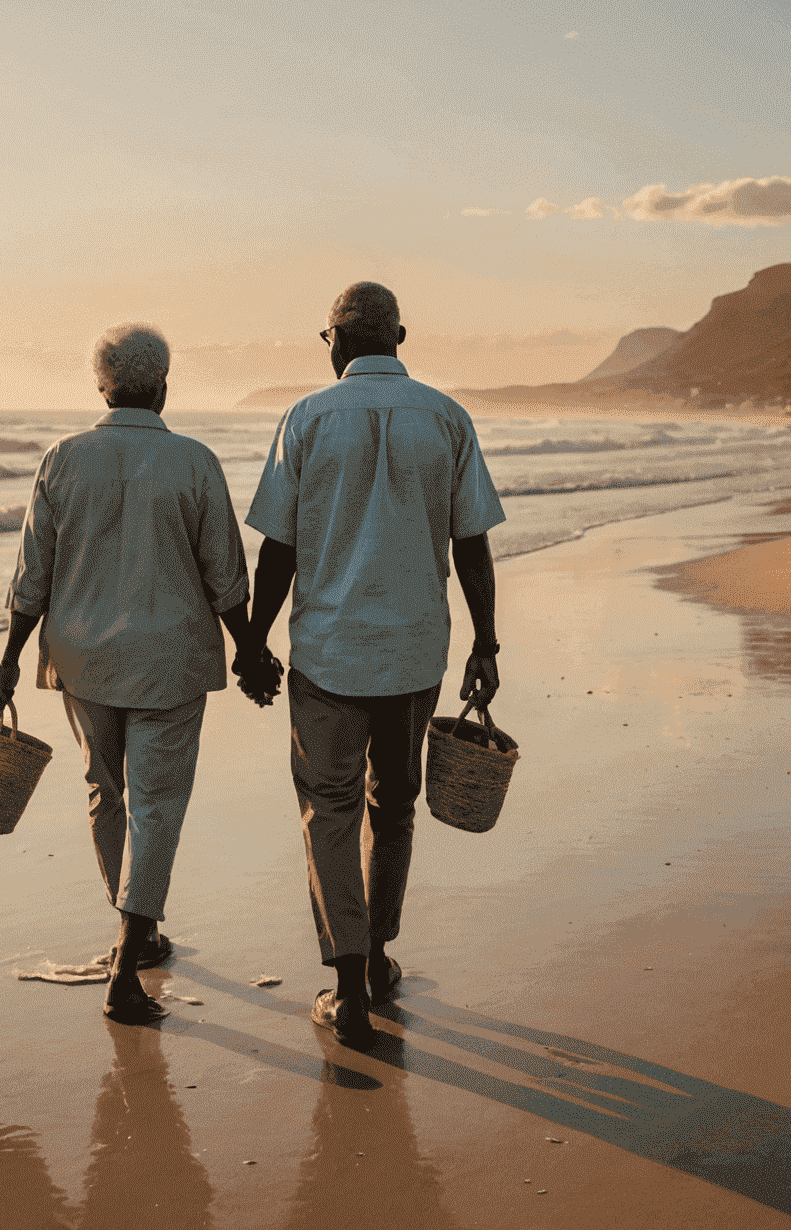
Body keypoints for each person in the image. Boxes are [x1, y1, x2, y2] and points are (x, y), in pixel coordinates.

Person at [244, 282, 505, 1049]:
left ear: (334, 340)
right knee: (394, 804)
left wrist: (253, 641)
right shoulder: (447, 418)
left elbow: (279, 547)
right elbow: (472, 543)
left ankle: (349, 986)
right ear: (399, 334)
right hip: (416, 650)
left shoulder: (307, 418)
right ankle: (380, 955)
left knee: (330, 810)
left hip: (328, 653)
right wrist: (486, 643)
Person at [0, 323, 269, 1024]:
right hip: (169, 657)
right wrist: (251, 649)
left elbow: (33, 577)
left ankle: (137, 932)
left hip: (84, 657)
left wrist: (8, 660)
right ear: (164, 386)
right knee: (158, 805)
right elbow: (225, 576)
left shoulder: (61, 459)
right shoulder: (195, 462)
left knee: (104, 791)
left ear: (100, 386)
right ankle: (130, 951)